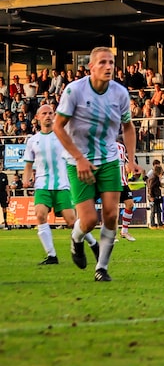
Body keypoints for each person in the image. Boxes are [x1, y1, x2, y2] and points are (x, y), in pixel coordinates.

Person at [54, 46, 142, 281]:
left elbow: (128, 126)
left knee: (112, 214)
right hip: (78, 162)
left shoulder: (120, 93)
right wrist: (80, 158)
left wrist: (131, 160)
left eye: (111, 63)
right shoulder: (74, 91)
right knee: (90, 219)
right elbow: (57, 126)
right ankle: (76, 238)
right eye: (102, 62)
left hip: (109, 159)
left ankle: (101, 268)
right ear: (91, 67)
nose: (108, 67)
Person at [23, 104, 99, 265]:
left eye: (51, 113)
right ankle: (52, 256)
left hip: (62, 185)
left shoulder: (63, 137)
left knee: (72, 221)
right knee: (40, 215)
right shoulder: (32, 140)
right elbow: (28, 165)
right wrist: (26, 178)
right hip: (42, 185)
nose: (48, 116)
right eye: (44, 113)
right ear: (37, 117)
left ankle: (93, 243)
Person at [146, 159, 164, 229]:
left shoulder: (156, 178)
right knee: (153, 211)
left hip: (156, 195)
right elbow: (150, 187)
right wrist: (151, 196)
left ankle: (160, 224)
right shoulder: (154, 178)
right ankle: (152, 224)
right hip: (153, 196)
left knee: (159, 210)